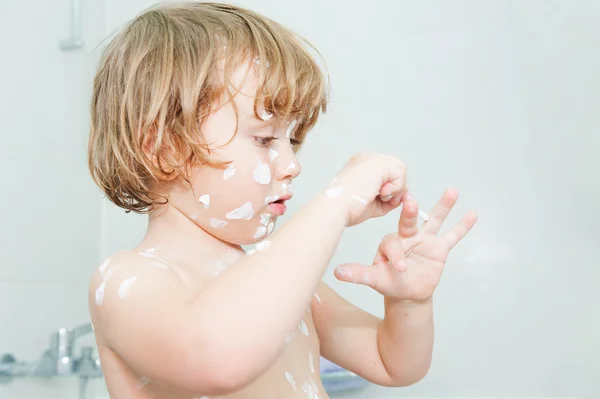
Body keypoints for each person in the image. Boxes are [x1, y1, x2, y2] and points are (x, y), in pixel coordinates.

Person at [87, 2, 477, 398]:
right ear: (165, 148)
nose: (292, 164)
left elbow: (392, 363)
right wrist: (335, 203)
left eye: (292, 141)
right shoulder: (127, 281)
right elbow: (217, 358)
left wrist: (409, 301)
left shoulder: (280, 281)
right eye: (264, 138)